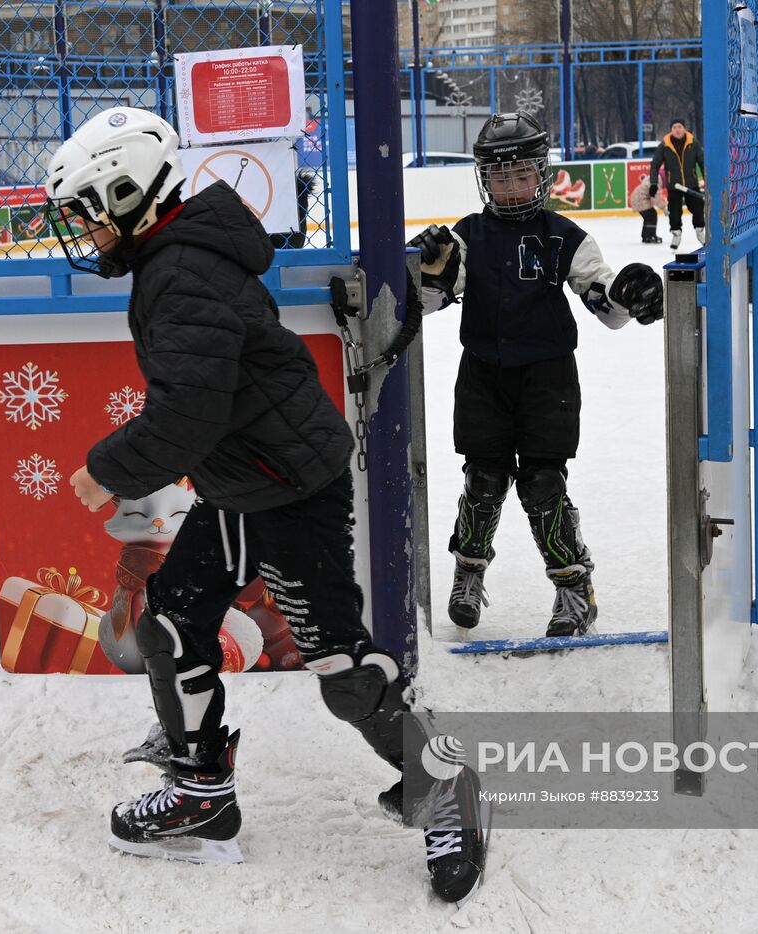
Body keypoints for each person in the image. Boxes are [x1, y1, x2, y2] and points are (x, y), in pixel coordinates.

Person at [43, 106, 485, 902]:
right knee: (172, 622)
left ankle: (444, 784)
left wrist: (104, 469)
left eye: (84, 211)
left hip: (286, 490)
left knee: (342, 671)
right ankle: (201, 798)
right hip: (245, 482)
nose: (82, 231)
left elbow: (186, 415)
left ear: (125, 191)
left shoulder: (180, 272)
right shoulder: (176, 258)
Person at [408, 111, 664, 638]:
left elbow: (606, 305)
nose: (511, 186)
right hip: (482, 376)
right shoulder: (467, 236)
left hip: (548, 381)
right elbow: (429, 304)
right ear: (485, 179)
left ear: (541, 174)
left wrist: (629, 296)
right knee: (483, 481)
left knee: (544, 485)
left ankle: (574, 589)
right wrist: (426, 274)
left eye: (521, 174)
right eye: (499, 177)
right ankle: (468, 576)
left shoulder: (564, 236)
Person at [648, 119, 706, 249]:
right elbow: (655, 165)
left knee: (698, 208)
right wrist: (653, 183)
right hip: (674, 185)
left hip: (691, 183)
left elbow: (702, 162)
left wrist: (707, 180)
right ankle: (676, 233)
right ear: (671, 130)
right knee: (674, 211)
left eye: (679, 126)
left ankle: (699, 231)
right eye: (674, 127)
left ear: (684, 128)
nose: (677, 129)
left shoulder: (693, 142)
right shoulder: (665, 145)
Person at [628, 167, 666, 244]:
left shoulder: (653, 179)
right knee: (651, 215)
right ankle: (650, 236)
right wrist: (664, 207)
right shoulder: (656, 183)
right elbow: (656, 197)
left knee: (649, 216)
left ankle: (646, 235)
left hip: (638, 199)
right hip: (640, 200)